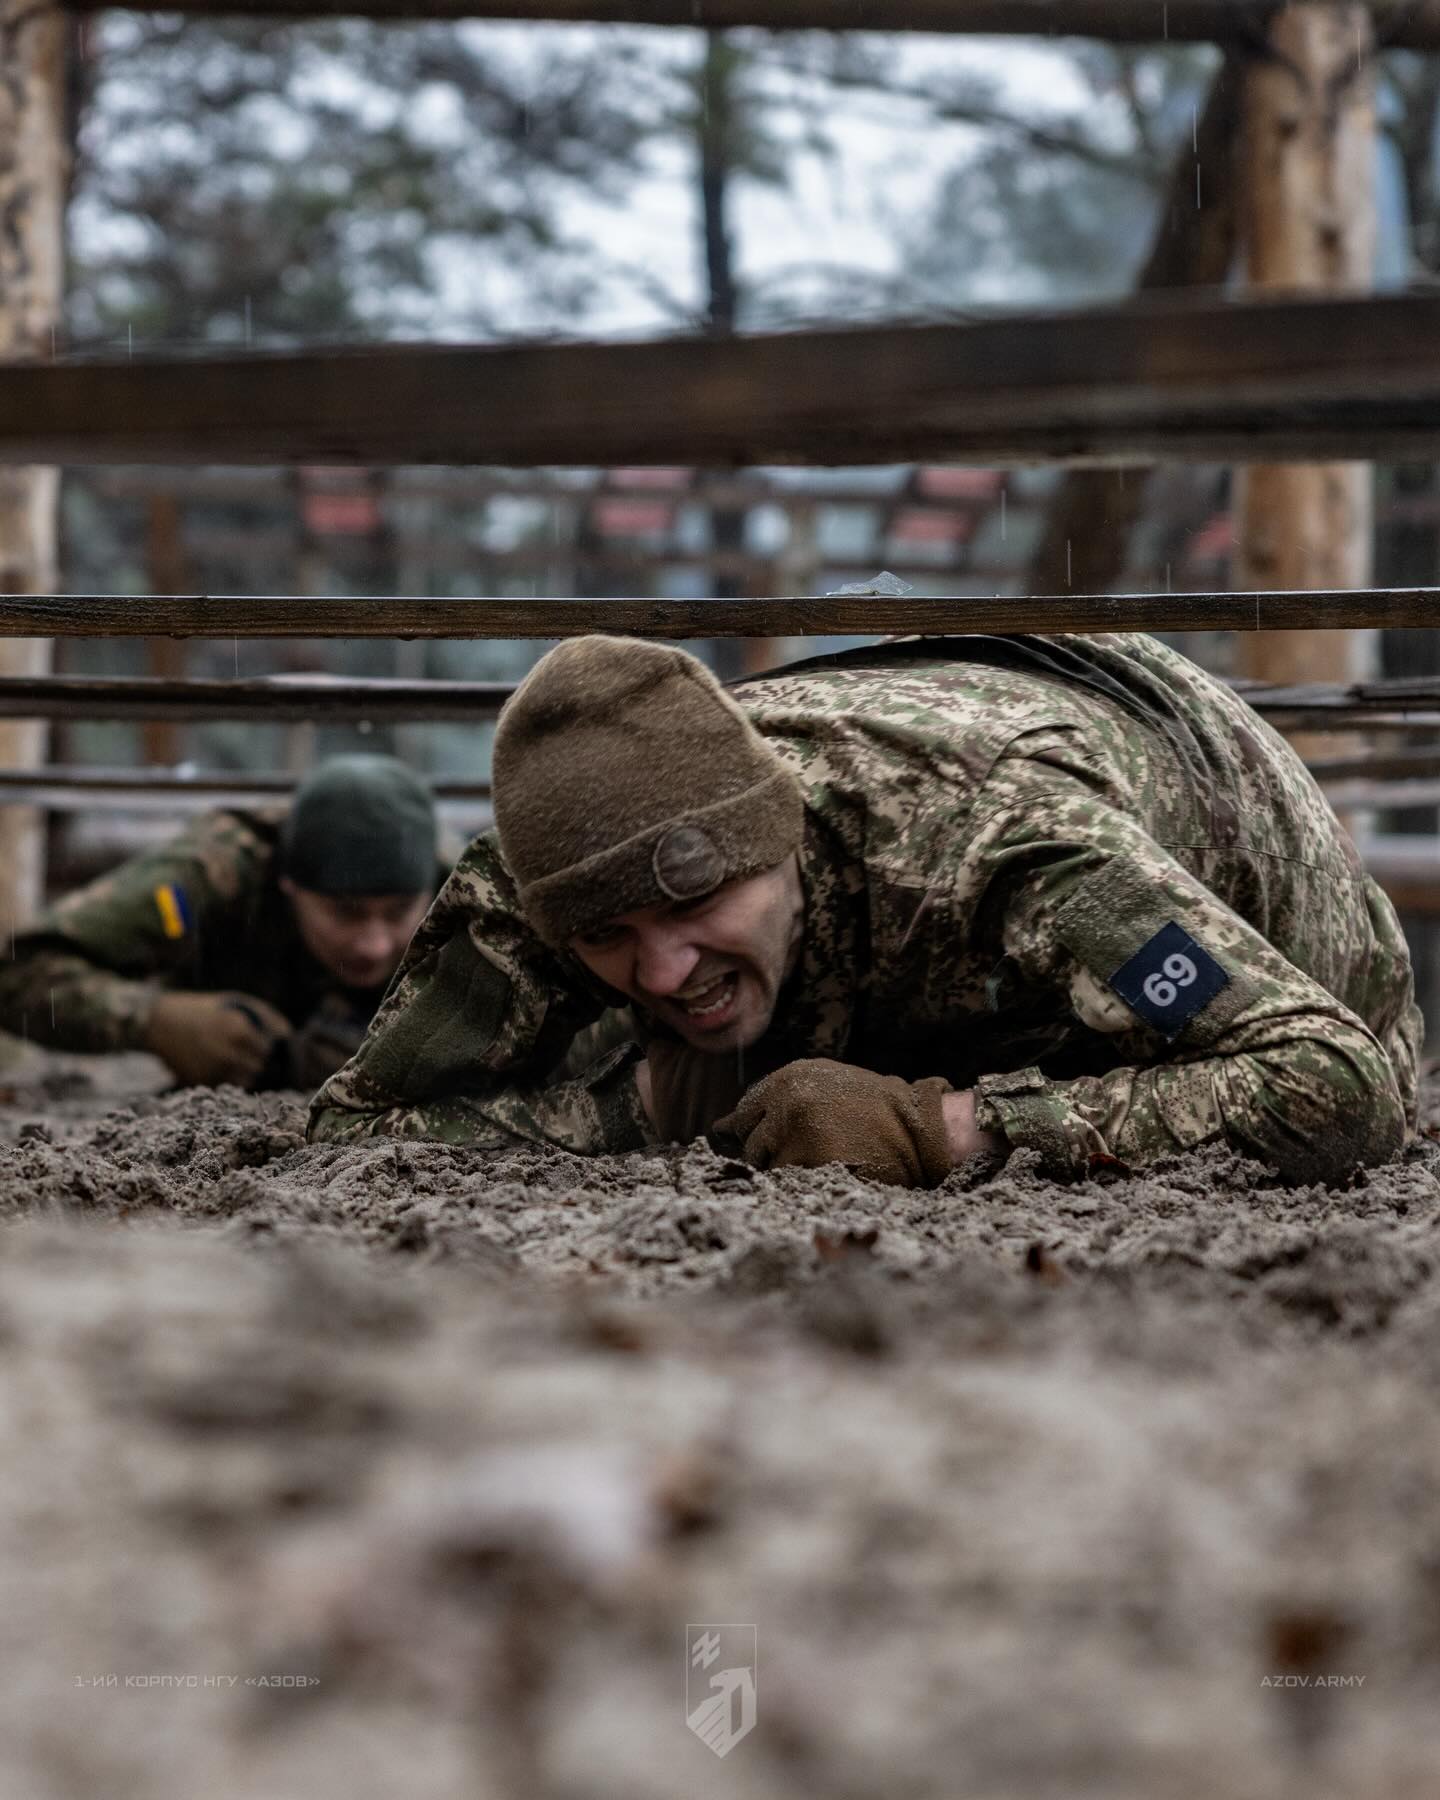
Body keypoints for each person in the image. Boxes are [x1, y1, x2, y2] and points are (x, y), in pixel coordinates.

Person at [308, 634, 1423, 1188]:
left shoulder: (1006, 844)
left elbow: (1337, 1084)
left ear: (780, 838)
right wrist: (653, 1103)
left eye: (693, 902)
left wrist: (944, 1129)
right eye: (606, 938)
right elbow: (354, 1131)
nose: (658, 971)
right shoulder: (549, 869)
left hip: (1263, 898)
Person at [0, 754, 445, 1092]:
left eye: (398, 913)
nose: (373, 944)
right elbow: (19, 972)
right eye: (344, 913)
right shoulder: (217, 871)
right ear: (289, 884)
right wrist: (152, 1020)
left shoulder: (463, 887)